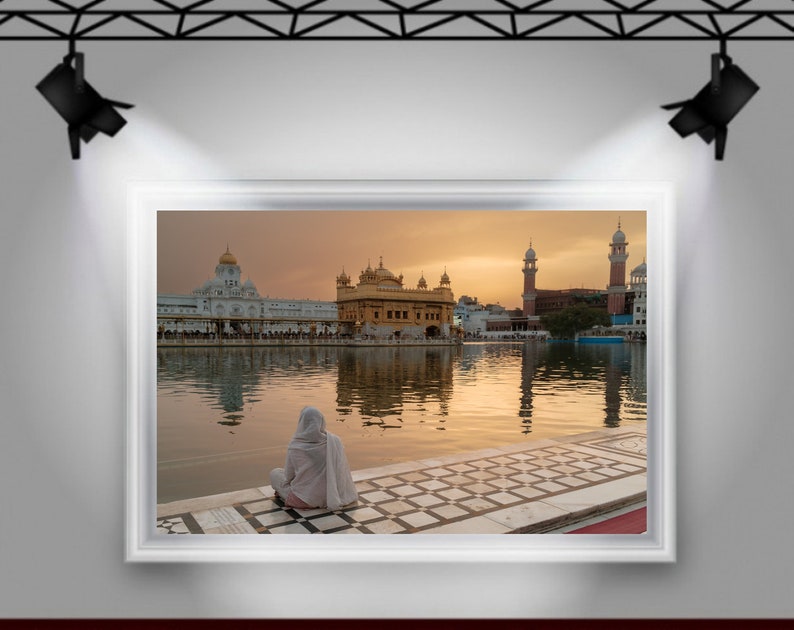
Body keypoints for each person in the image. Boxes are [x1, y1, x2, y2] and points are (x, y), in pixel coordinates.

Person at [269, 406, 358, 511]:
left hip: (305, 500)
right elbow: (341, 471)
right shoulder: (334, 441)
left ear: (302, 422)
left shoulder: (295, 445)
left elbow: (289, 476)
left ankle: (285, 494)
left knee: (275, 473)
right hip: (334, 495)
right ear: (321, 421)